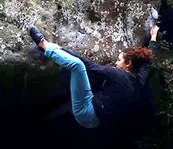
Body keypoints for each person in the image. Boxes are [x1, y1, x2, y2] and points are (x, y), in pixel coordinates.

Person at [28, 23, 159, 129]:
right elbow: (147, 62)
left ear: (128, 63)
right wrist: (153, 37)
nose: (115, 62)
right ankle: (42, 117)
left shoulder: (117, 75)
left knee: (77, 66)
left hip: (87, 111)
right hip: (95, 123)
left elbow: (87, 65)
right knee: (69, 102)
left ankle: (43, 44)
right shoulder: (139, 81)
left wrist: (59, 50)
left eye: (119, 60)